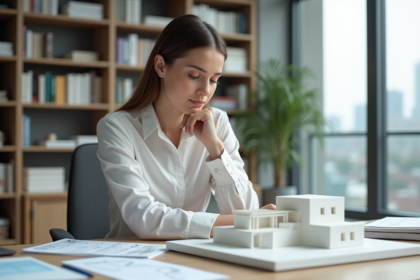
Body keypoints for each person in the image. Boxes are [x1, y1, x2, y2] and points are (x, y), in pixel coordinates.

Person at [97, 14, 275, 240]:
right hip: (132, 261)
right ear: (161, 66)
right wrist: (244, 221)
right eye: (194, 75)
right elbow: (144, 219)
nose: (205, 90)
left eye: (213, 80)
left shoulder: (217, 122)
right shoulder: (117, 127)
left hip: (193, 258)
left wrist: (215, 149)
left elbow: (245, 209)